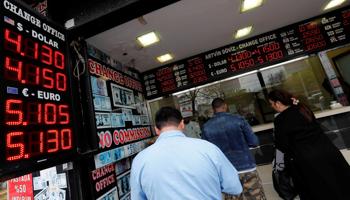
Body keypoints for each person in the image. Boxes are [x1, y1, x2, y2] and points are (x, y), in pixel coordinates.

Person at [130, 106, 242, 200]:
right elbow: (234, 187)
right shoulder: (208, 149)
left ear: (157, 130)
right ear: (182, 124)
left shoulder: (140, 160)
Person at [268, 89, 350, 200]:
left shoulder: (280, 119)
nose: (272, 107)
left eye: (272, 104)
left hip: (309, 163)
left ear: (278, 103)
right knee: (341, 188)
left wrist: (276, 134)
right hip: (330, 154)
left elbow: (283, 146)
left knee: (320, 193)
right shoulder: (303, 108)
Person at [202, 98, 266, 200]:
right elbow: (254, 142)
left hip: (226, 173)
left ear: (213, 110)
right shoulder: (239, 119)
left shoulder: (206, 127)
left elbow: (207, 154)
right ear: (226, 106)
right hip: (247, 168)